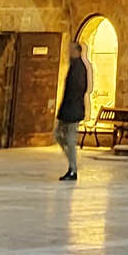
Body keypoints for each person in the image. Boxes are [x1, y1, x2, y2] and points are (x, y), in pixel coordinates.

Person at [55, 40, 89, 181]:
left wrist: (70, 109)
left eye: (71, 50)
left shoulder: (79, 68)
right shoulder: (74, 66)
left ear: (77, 51)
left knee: (70, 139)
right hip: (68, 109)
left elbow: (77, 90)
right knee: (59, 135)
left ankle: (73, 169)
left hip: (73, 110)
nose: (69, 52)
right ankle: (72, 165)